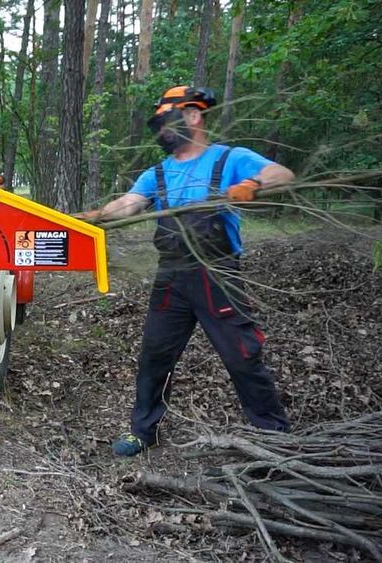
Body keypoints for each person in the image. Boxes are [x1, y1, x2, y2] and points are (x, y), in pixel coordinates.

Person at [76, 86, 295, 457]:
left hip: (218, 276)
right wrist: (92, 218)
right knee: (154, 355)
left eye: (166, 122)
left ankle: (275, 435)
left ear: (193, 116)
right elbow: (128, 205)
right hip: (171, 279)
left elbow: (282, 173)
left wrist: (252, 185)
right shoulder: (158, 173)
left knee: (242, 355)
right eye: (157, 126)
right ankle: (143, 431)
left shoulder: (230, 160)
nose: (161, 131)